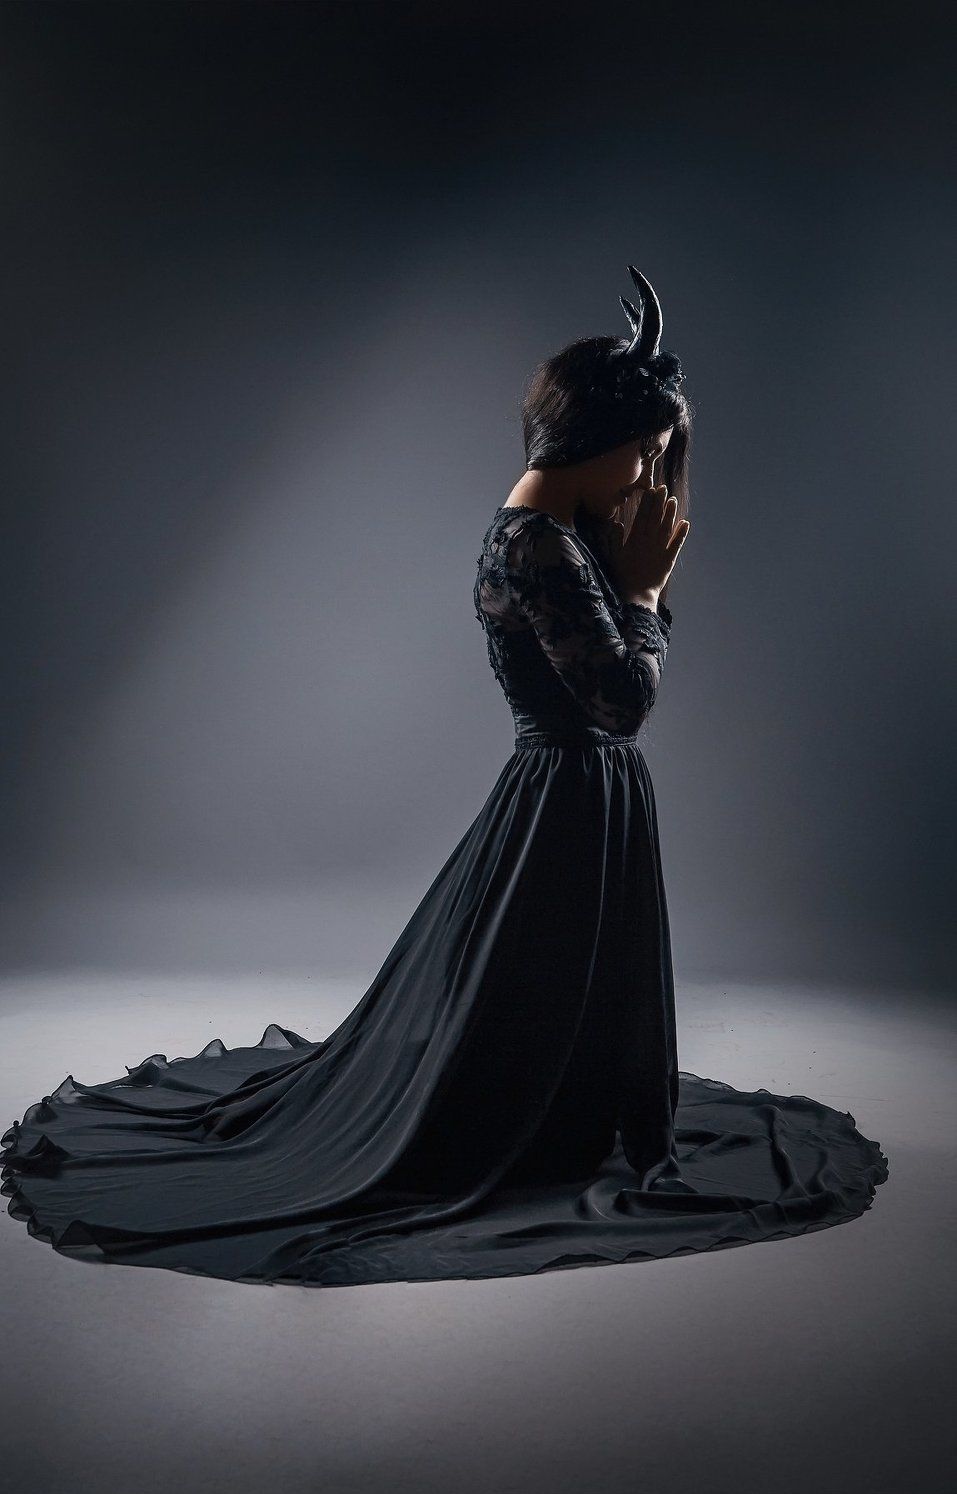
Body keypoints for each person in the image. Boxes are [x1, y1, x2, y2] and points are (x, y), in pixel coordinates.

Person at [0, 266, 888, 1287]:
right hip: (565, 795)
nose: (648, 476)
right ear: (593, 437)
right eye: (643, 452)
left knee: (556, 1011)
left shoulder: (552, 531)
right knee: (525, 1016)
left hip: (580, 795)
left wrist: (632, 572)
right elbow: (621, 705)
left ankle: (559, 1119)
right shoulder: (538, 543)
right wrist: (645, 595)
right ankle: (529, 1136)